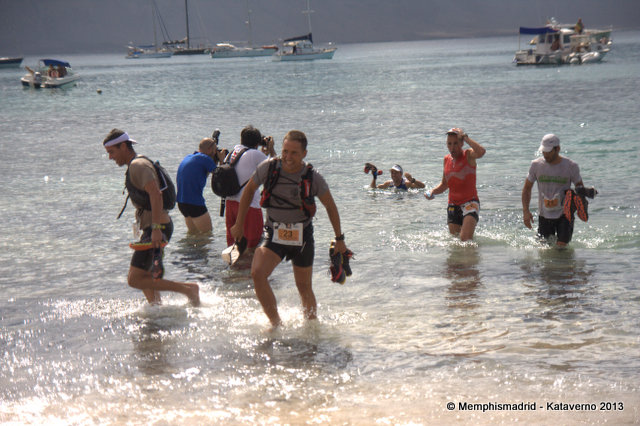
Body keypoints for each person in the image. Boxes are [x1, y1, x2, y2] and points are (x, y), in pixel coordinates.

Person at [230, 130, 348, 328]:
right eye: (285, 151)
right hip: (274, 233)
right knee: (257, 273)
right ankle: (276, 324)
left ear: (304, 154)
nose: (288, 157)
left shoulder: (313, 178)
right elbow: (249, 190)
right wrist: (239, 224)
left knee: (304, 288)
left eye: (294, 153)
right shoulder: (268, 168)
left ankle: (311, 330)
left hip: (302, 237)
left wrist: (339, 239)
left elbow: (330, 206)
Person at [103, 129, 200, 306]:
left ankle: (188, 289)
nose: (110, 157)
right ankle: (156, 307)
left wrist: (155, 229)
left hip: (157, 227)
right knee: (145, 274)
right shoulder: (137, 164)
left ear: (123, 146)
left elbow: (156, 194)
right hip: (155, 226)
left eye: (112, 152)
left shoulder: (138, 166)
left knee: (134, 279)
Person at [521, 134, 586, 247]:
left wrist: (578, 205)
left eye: (548, 152)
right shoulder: (536, 165)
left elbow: (580, 187)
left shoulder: (571, 166)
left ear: (558, 149)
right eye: (543, 151)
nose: (545, 154)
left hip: (565, 214)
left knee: (561, 248)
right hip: (544, 214)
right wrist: (526, 211)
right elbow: (527, 188)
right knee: (544, 248)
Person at [425, 128, 486, 241]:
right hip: (453, 204)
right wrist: (432, 191)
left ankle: (475, 253)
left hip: (470, 203)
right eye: (449, 144)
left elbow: (481, 152)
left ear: (462, 143)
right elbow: (444, 185)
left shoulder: (468, 155)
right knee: (455, 242)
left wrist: (466, 137)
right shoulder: (446, 159)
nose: (452, 147)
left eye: (455, 143)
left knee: (465, 239)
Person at [225, 125, 276, 249]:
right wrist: (271, 149)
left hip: (230, 203)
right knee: (251, 246)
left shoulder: (233, 152)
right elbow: (277, 166)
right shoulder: (254, 154)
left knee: (234, 247)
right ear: (257, 142)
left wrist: (262, 154)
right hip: (248, 205)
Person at [176, 137, 218, 234]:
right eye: (215, 150)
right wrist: (222, 161)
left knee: (193, 234)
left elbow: (203, 176)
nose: (216, 152)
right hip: (195, 203)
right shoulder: (205, 159)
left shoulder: (189, 157)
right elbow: (221, 176)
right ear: (209, 150)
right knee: (207, 235)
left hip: (182, 203)